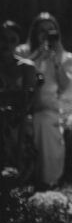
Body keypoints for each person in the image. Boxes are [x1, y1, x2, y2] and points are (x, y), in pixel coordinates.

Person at [15, 13, 72, 187]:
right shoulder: (22, 51)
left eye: (50, 30)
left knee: (43, 121)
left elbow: (69, 89)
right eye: (41, 30)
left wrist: (56, 61)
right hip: (23, 106)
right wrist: (35, 56)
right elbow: (16, 76)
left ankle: (47, 179)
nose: (45, 34)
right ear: (34, 32)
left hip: (49, 109)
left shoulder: (66, 57)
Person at [0, 20, 38, 177]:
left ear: (18, 42)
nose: (7, 44)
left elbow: (28, 102)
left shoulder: (26, 67)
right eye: (2, 39)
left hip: (17, 118)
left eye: (12, 40)